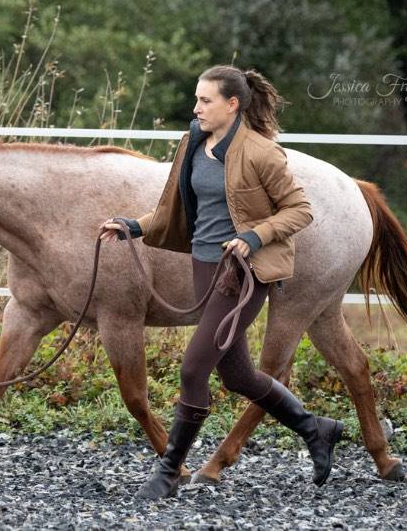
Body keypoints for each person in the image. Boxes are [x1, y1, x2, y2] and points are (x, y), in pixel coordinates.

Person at [99, 65, 344, 500]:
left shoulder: (261, 153)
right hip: (204, 267)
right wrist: (132, 226)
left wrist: (254, 236)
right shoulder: (192, 143)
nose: (196, 108)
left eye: (205, 100)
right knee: (239, 375)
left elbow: (299, 210)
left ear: (233, 105)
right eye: (196, 99)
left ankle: (168, 471)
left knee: (193, 368)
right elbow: (178, 210)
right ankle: (316, 429)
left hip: (243, 275)